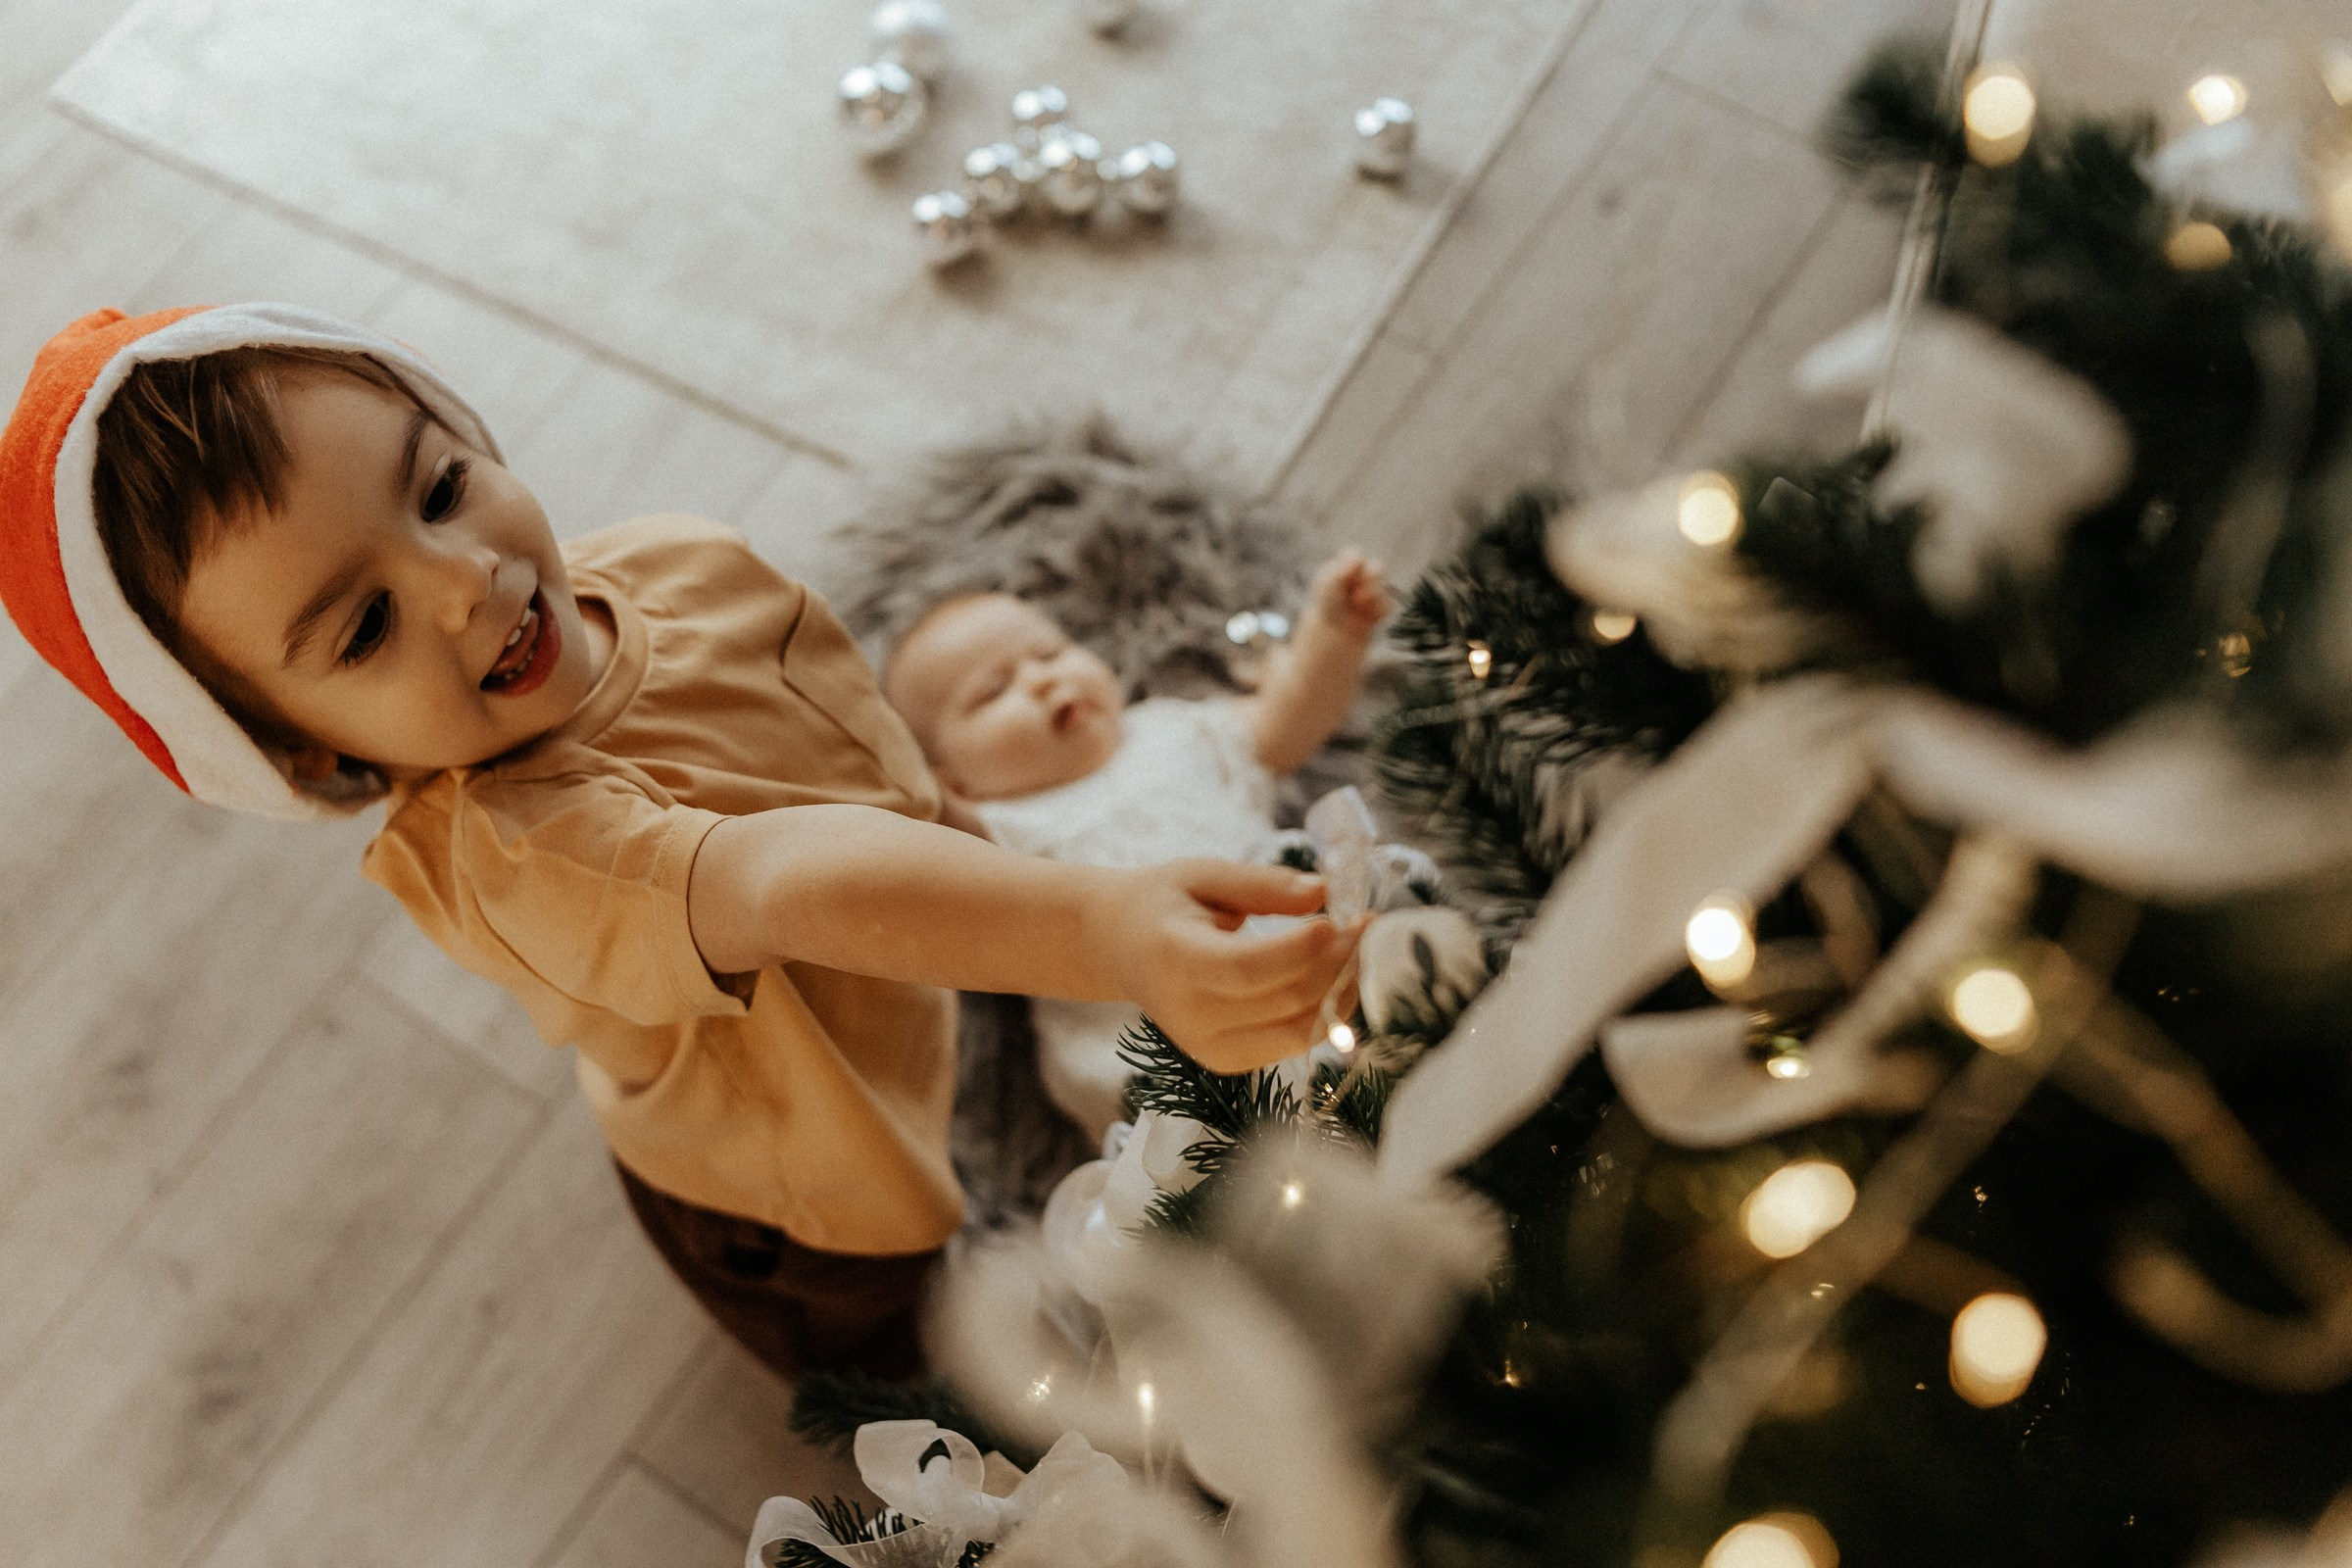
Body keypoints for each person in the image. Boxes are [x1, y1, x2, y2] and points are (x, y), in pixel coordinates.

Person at [0, 303, 1363, 1379]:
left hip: (890, 973)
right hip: (795, 1184)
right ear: (303, 752)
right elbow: (781, 876)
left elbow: (841, 739)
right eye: (362, 627)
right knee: (913, 1344)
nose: (466, 582)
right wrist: (1096, 926)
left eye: (438, 487)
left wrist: (956, 826)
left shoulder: (669, 562)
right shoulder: (529, 851)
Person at [882, 553, 1392, 1137]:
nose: (1042, 679)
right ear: (952, 779)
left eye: (1051, 652)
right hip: (1163, 1051)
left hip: (1314, 962)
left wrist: (1333, 631)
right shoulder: (995, 829)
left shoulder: (1175, 731)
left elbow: (1291, 712)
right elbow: (907, 825)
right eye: (993, 691)